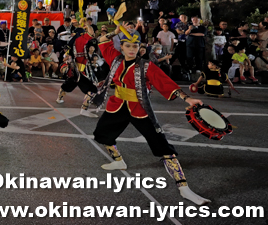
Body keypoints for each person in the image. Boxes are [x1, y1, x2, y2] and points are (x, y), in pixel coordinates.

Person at [94, 24, 209, 205]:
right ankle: (119, 161)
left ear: (140, 48)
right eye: (128, 46)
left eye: (136, 46)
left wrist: (187, 99)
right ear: (121, 46)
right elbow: (102, 41)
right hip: (117, 105)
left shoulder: (146, 66)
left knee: (162, 147)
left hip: (140, 108)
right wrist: (115, 32)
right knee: (102, 134)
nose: (132, 50)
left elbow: (166, 83)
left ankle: (184, 188)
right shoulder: (115, 59)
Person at [55, 51, 99, 117]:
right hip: (79, 73)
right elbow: (65, 60)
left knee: (67, 85)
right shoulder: (77, 47)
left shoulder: (77, 47)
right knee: (93, 89)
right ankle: (84, 110)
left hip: (78, 72)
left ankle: (59, 98)